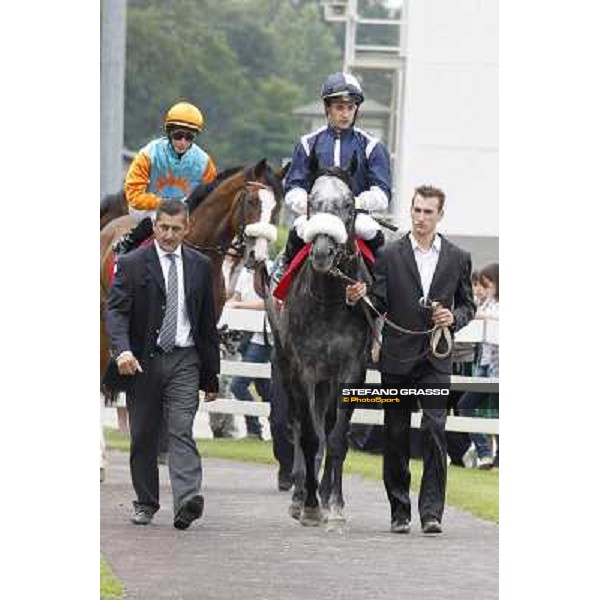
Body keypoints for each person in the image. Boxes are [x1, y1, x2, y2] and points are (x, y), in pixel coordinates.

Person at [346, 185, 476, 534]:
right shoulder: (389, 255)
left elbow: (468, 305)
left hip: (435, 359)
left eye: (427, 212)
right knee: (396, 433)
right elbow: (379, 300)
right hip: (397, 358)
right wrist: (359, 296)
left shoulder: (458, 257)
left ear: (440, 215)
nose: (420, 218)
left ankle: (431, 512)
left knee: (434, 428)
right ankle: (399, 510)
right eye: (416, 211)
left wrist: (454, 318)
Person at [106, 200, 220, 529]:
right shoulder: (131, 263)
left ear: (188, 229)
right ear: (154, 227)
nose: (169, 235)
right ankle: (145, 502)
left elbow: (206, 323)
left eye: (176, 229)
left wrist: (211, 376)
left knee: (181, 428)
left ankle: (187, 500)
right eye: (163, 228)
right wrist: (122, 350)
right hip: (142, 360)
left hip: (185, 359)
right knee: (143, 435)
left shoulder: (200, 265)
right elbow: (115, 312)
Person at [273, 72, 391, 281]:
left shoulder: (372, 146)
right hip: (316, 215)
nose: (345, 114)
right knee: (297, 229)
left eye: (350, 107)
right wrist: (307, 203)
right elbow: (293, 187)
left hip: (355, 217)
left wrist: (354, 202)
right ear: (327, 108)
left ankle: (385, 285)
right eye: (339, 107)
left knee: (372, 230)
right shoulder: (308, 143)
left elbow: (382, 193)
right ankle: (283, 278)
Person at [113, 101, 218, 255]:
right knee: (161, 218)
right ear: (169, 133)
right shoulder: (148, 154)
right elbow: (134, 196)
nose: (183, 142)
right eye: (178, 136)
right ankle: (127, 245)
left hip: (184, 208)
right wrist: (164, 203)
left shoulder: (204, 161)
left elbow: (212, 197)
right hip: (147, 208)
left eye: (189, 137)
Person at [458, 263, 500, 469]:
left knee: (499, 412)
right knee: (465, 405)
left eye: (488, 283)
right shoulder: (486, 303)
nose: (484, 288)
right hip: (484, 365)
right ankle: (484, 452)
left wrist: (482, 317)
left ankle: (498, 458)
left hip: (498, 366)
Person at [226, 264, 273, 439]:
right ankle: (280, 428)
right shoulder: (244, 272)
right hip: (247, 336)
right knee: (265, 388)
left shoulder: (269, 267)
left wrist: (238, 306)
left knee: (238, 385)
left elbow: (267, 302)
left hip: (263, 338)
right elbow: (235, 298)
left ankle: (255, 429)